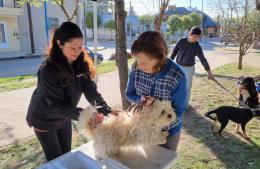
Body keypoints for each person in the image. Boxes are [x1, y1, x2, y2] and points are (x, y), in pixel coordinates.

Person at [26, 22, 115, 161]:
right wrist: (85, 115)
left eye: (80, 47)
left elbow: (90, 90)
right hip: (44, 118)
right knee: (56, 159)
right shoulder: (47, 70)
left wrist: (107, 110)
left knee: (67, 155)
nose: (77, 51)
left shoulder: (80, 63)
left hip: (65, 116)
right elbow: (56, 105)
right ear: (60, 44)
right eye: (73, 47)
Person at [125, 31, 187, 151]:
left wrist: (156, 123)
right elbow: (129, 94)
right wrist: (140, 99)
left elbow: (179, 112)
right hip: (141, 129)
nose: (139, 66)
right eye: (137, 61)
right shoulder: (135, 67)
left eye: (144, 63)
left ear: (160, 57)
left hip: (167, 133)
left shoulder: (177, 76)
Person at [170, 26, 214, 107]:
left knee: (187, 88)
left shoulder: (197, 46)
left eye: (198, 37)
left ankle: (184, 105)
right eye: (195, 37)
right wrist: (170, 61)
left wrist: (209, 71)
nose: (196, 39)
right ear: (190, 34)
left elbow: (203, 59)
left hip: (189, 69)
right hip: (178, 66)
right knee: (176, 86)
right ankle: (175, 103)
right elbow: (174, 51)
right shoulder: (181, 41)